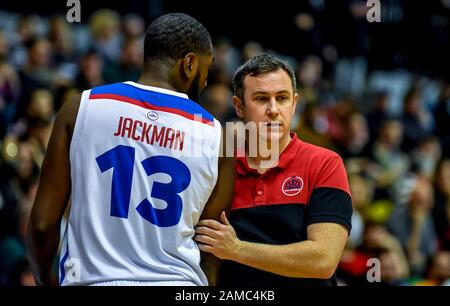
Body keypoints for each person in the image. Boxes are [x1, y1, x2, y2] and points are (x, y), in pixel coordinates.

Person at [27, 13, 234, 286]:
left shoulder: (81, 108)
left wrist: (45, 280)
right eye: (206, 71)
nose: (205, 82)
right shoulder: (220, 138)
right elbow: (211, 249)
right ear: (189, 64)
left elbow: (43, 224)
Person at [195, 54, 352, 286]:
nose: (273, 109)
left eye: (282, 98)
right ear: (238, 106)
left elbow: (323, 260)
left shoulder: (325, 163)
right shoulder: (219, 165)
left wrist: (237, 249)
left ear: (295, 103)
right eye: (260, 99)